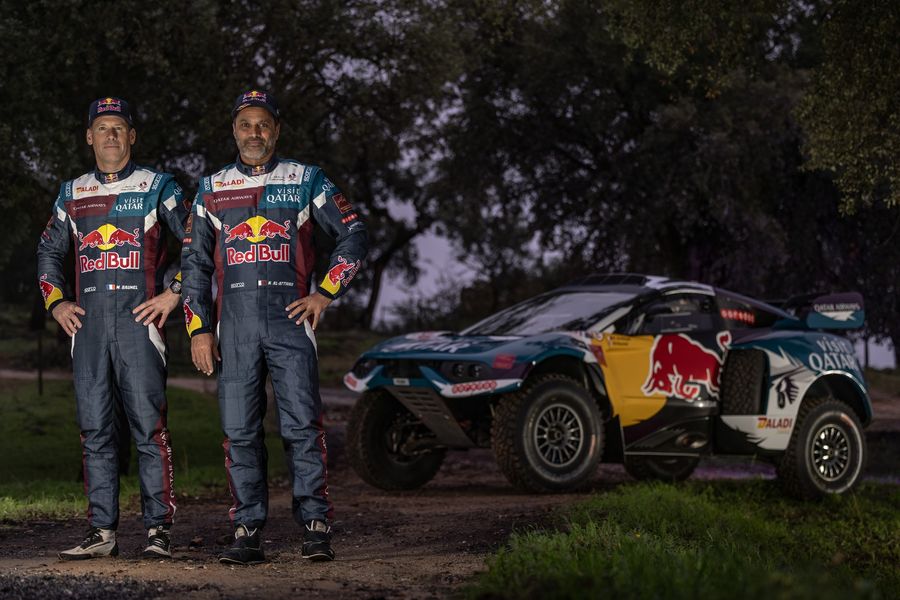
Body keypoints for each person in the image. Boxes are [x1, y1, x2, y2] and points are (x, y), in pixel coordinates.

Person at [181, 90, 367, 564]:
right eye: (246, 124)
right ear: (234, 131)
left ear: (277, 130)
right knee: (239, 431)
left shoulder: (306, 179)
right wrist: (199, 328)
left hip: (291, 321)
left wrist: (325, 292)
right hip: (234, 326)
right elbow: (195, 264)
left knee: (302, 425)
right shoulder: (211, 187)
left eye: (263, 124)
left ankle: (316, 525)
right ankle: (247, 530)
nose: (255, 133)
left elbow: (353, 233)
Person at [37, 97, 189, 560]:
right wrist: (57, 302)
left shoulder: (158, 186)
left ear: (132, 136)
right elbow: (48, 253)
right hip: (88, 329)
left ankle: (159, 529)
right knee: (95, 430)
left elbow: (199, 243)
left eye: (119, 127)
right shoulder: (71, 192)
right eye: (102, 128)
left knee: (149, 429)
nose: (110, 135)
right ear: (89, 136)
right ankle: (101, 531)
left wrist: (174, 292)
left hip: (139, 325)